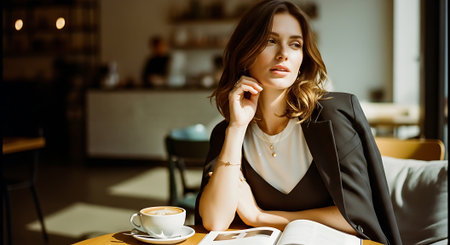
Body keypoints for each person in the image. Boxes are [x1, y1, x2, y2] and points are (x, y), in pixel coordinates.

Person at [195, 1, 402, 244]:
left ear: (302, 58)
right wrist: (237, 128)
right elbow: (215, 221)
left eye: (295, 44)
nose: (283, 53)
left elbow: (356, 219)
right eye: (271, 40)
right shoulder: (227, 133)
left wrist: (260, 217)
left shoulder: (332, 117)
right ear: (245, 54)